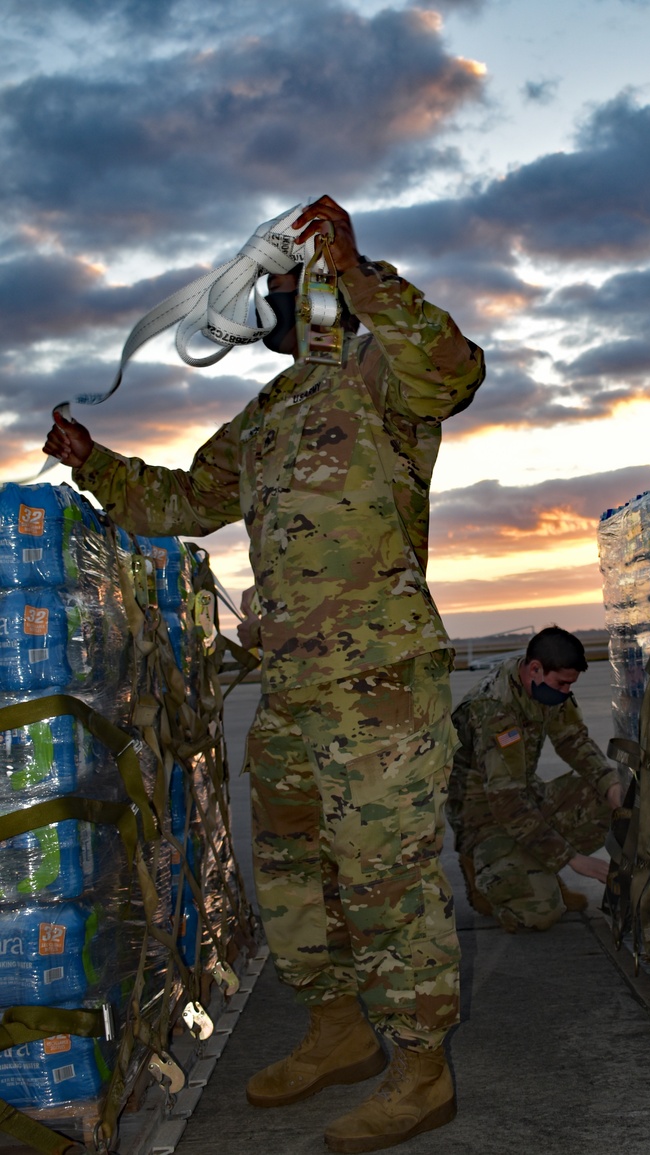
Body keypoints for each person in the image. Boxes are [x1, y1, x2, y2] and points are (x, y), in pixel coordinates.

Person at [44, 195, 485, 1154]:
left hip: (380, 682)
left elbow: (455, 368)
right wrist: (95, 466)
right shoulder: (266, 415)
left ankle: (421, 1069)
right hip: (291, 689)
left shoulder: (380, 375)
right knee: (287, 866)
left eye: (294, 279)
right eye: (275, 282)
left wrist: (359, 269)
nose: (281, 292)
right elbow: (182, 501)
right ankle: (335, 1030)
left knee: (387, 881)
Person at [447, 626, 623, 933]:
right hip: (485, 818)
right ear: (535, 669)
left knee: (616, 801)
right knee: (539, 913)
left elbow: (573, 741)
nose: (566, 691)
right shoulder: (493, 711)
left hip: (524, 797)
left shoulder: (545, 685)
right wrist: (570, 858)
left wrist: (611, 784)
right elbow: (505, 802)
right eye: (562, 683)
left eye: (571, 685)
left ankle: (536, 868)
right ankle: (482, 870)